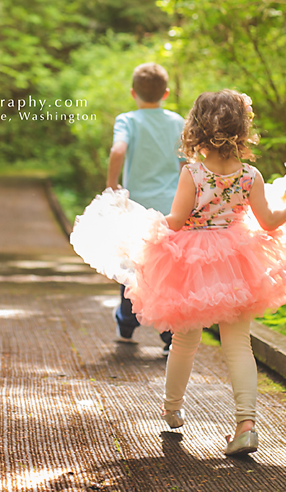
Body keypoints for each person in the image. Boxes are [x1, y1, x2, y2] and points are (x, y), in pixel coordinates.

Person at [70, 89, 286, 457]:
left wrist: (147, 225)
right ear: (241, 129)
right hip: (239, 261)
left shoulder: (193, 172)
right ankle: (246, 424)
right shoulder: (250, 175)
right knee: (238, 345)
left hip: (192, 265)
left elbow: (176, 219)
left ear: (197, 129)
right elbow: (268, 222)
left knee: (184, 342)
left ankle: (173, 409)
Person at [106, 62, 185, 355]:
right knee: (166, 269)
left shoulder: (127, 120)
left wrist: (111, 184)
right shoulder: (177, 122)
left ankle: (126, 325)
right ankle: (168, 336)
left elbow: (118, 150)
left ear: (132, 93)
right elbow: (184, 165)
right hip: (170, 207)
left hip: (135, 206)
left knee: (132, 267)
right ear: (165, 93)